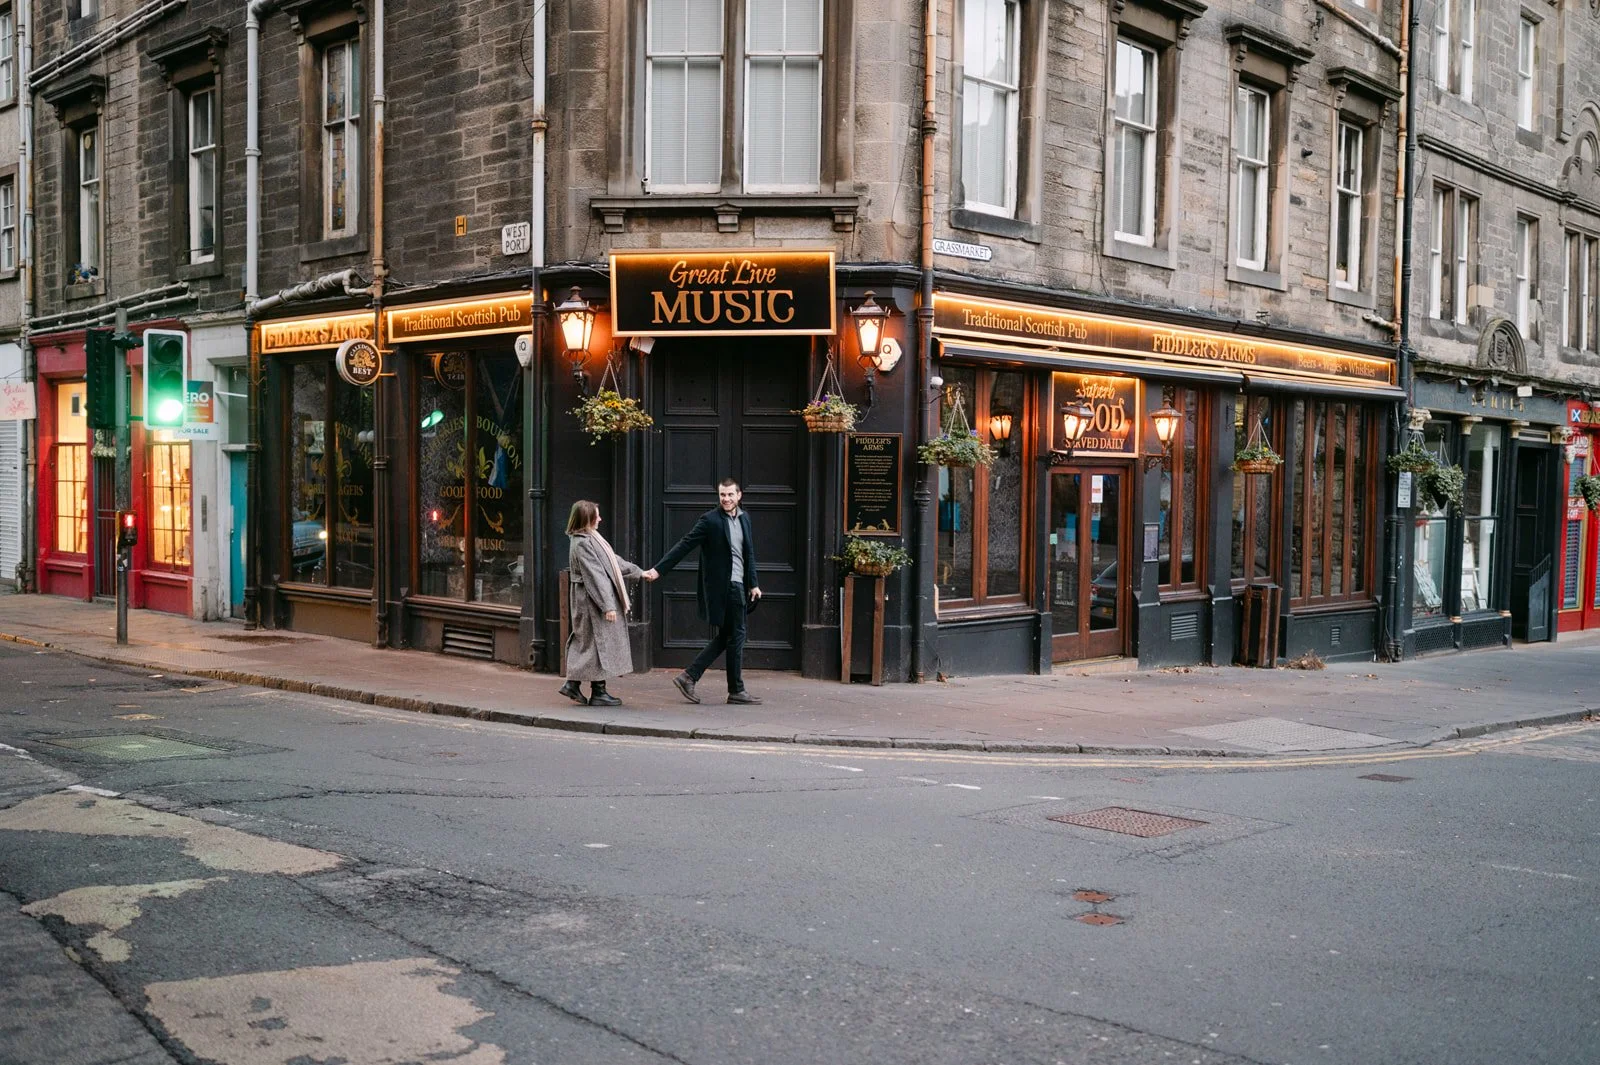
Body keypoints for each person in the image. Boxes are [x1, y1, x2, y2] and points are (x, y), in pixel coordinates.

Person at [643, 478, 762, 705]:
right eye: (722, 495)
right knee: (736, 635)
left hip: (739, 584)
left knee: (728, 636)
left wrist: (753, 583)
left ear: (739, 496)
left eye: (729, 495)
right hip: (725, 588)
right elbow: (685, 544)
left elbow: (749, 553)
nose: (725, 499)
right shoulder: (710, 521)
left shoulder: (745, 519)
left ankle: (689, 676)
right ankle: (735, 690)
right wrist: (658, 570)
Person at [560, 500, 649, 707]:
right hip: (591, 601)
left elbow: (613, 562)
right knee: (596, 643)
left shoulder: (592, 538)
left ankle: (575, 685)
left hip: (592, 599)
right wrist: (607, 606)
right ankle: (595, 691)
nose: (600, 518)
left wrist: (639, 572)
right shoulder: (582, 543)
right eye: (596, 516)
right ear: (586, 519)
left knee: (592, 644)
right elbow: (596, 575)